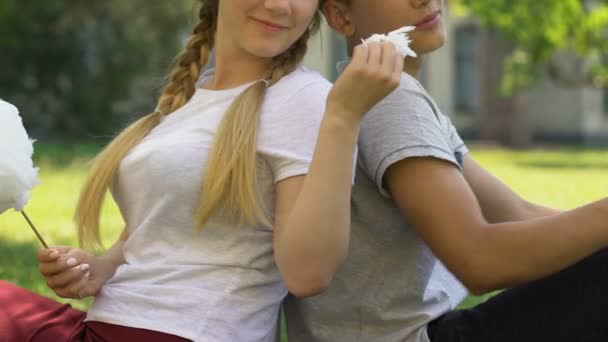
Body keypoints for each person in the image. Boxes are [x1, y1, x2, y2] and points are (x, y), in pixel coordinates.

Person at [0, 0, 404, 341]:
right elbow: (168, 227)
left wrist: (344, 118)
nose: (280, 5)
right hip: (113, 324)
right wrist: (100, 268)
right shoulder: (192, 97)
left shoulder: (307, 100)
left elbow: (308, 274)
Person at [284, 0, 608, 341]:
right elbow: (479, 260)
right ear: (341, 16)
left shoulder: (398, 96)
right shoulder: (391, 99)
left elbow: (518, 213)